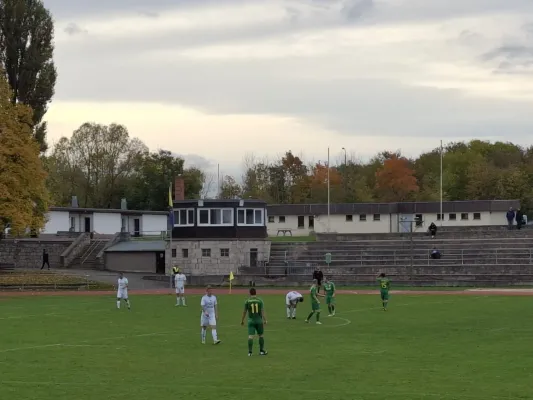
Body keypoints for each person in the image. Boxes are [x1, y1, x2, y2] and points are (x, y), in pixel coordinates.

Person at [241, 288, 268, 356]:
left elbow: (244, 311)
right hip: (259, 321)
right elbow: (262, 312)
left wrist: (242, 320)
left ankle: (250, 352)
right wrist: (265, 320)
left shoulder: (247, 301)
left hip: (251, 321)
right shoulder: (260, 300)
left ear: (250, 293)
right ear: (256, 293)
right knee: (261, 336)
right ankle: (261, 351)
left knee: (250, 336)